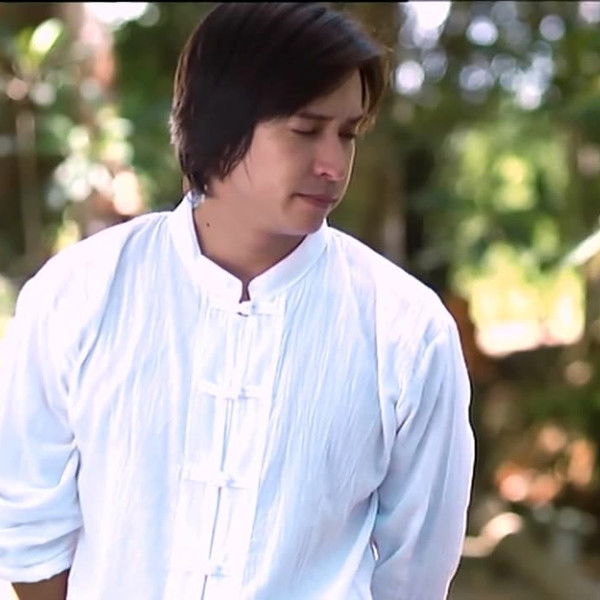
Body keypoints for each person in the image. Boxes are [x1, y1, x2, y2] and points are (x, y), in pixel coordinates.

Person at [0, 3, 474, 599]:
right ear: (218, 123)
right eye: (305, 130)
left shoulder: (407, 330)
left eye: (347, 134)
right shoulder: (78, 295)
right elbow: (28, 526)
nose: (333, 165)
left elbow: (416, 569)